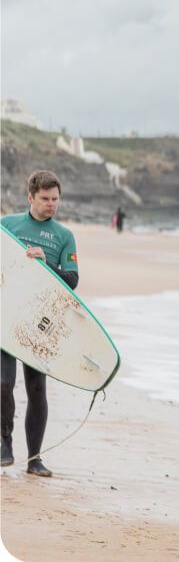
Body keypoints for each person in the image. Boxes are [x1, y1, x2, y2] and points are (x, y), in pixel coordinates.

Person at [1, 171, 79, 477]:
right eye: (45, 199)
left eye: (55, 199)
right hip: (6, 315)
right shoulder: (6, 225)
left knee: (37, 388)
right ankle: (4, 444)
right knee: (3, 383)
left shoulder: (63, 236)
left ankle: (35, 459)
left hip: (40, 321)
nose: (51, 205)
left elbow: (72, 279)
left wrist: (48, 266)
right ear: (30, 197)